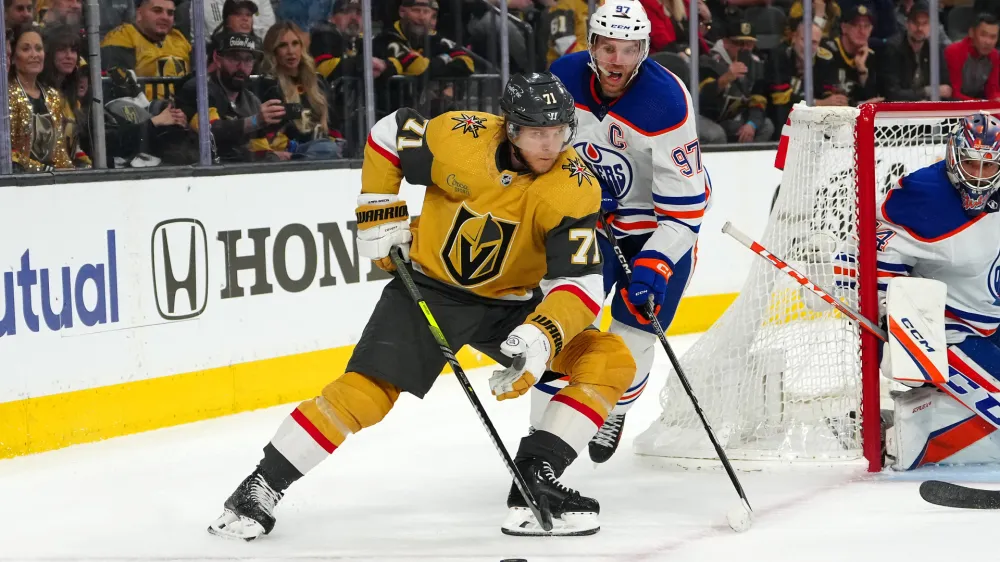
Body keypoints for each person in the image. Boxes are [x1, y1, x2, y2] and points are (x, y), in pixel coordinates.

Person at [205, 72, 635, 540]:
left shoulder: (574, 184)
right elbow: (390, 131)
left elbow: (581, 281)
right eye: (536, 133)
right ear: (510, 127)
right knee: (365, 393)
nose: (550, 145)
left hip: (512, 304)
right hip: (430, 289)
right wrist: (378, 207)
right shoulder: (460, 136)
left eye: (558, 132)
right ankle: (260, 486)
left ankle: (535, 481)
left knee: (610, 359)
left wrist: (542, 333)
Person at [544, 0, 709, 463]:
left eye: (630, 49)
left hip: (659, 224)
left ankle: (612, 406)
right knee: (563, 313)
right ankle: (546, 434)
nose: (618, 61)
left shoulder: (666, 101)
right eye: (609, 47)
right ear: (591, 43)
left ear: (645, 50)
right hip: (590, 220)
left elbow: (685, 208)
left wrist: (655, 261)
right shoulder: (563, 76)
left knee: (633, 331)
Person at [873, 112, 1000, 470]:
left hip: (992, 323)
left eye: (988, 167)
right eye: (971, 163)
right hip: (947, 333)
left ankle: (920, 417)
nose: (978, 176)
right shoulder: (922, 196)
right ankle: (910, 439)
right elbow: (875, 253)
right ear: (954, 156)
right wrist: (887, 307)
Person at [175, 31, 288, 162]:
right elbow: (210, 131)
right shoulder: (198, 89)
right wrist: (255, 121)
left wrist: (276, 156)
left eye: (248, 60)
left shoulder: (252, 101)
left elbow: (259, 149)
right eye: (234, 58)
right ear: (217, 59)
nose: (241, 67)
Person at [258, 21, 343, 160]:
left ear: (302, 47)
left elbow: (334, 127)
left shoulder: (319, 82)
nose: (291, 51)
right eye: (283, 45)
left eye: (295, 43)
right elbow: (270, 136)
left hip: (325, 151)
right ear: (273, 52)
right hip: (290, 154)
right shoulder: (269, 85)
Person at [7, 23, 73, 172]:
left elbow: (59, 151)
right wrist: (45, 170)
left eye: (38, 48)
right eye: (26, 49)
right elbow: (8, 154)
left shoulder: (53, 96)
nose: (34, 55)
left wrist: (71, 172)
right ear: (12, 57)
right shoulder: (6, 96)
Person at [698, 14, 774, 144]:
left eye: (749, 44)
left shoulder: (755, 65)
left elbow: (758, 100)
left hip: (734, 119)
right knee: (717, 134)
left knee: (766, 126)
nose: (744, 48)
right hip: (708, 118)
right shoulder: (708, 61)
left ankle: (748, 162)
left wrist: (751, 124)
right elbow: (703, 100)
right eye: (739, 43)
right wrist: (725, 79)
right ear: (726, 42)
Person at [101, 0, 192, 101]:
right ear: (139, 14)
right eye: (157, 11)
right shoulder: (121, 37)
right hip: (142, 112)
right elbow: (120, 91)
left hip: (183, 112)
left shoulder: (179, 38)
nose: (165, 17)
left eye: (170, 13)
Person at [943, 12, 1000, 102]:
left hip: (979, 104)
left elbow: (992, 90)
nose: (988, 42)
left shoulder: (995, 55)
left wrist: (997, 99)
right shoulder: (954, 51)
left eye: (993, 37)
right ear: (971, 33)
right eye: (983, 35)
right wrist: (981, 104)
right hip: (954, 106)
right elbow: (954, 94)